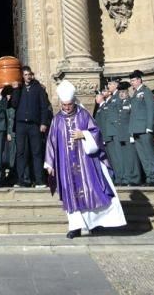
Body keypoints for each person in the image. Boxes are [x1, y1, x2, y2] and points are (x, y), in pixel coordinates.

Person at [44, 80, 126, 239]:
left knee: (92, 191)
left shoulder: (83, 115)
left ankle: (94, 224)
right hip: (66, 165)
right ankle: (75, 227)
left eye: (69, 104)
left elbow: (96, 131)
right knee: (71, 194)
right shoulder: (57, 120)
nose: (67, 108)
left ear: (74, 101)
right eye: (64, 105)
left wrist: (84, 134)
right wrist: (50, 163)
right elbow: (51, 142)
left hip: (85, 163)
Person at [11, 66, 50, 189]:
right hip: (21, 124)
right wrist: (16, 90)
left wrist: (43, 123)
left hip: (34, 125)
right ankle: (21, 180)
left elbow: (44, 107)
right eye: (25, 75)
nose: (27, 77)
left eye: (29, 74)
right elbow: (14, 104)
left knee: (37, 152)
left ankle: (39, 180)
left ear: (32, 75)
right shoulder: (19, 88)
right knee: (21, 152)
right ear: (22, 76)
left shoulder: (38, 88)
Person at [128, 71, 154, 185]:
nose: (132, 83)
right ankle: (149, 177)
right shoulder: (136, 93)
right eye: (131, 81)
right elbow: (133, 113)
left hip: (145, 128)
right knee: (143, 156)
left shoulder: (146, 91)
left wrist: (149, 126)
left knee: (150, 154)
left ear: (139, 80)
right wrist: (131, 131)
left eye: (133, 80)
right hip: (136, 129)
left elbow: (150, 110)